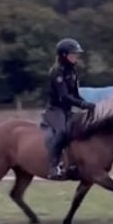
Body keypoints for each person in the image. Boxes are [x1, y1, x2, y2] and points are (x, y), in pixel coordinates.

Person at [42, 37, 96, 180]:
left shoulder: (72, 71)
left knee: (82, 129)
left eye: (77, 54)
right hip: (55, 109)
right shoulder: (57, 72)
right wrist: (83, 105)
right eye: (73, 54)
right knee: (62, 132)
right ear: (64, 55)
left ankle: (74, 163)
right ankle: (53, 167)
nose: (76, 56)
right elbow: (64, 97)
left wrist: (89, 106)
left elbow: (76, 95)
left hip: (67, 110)